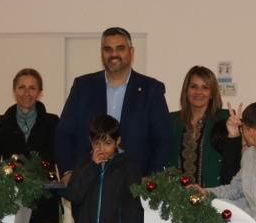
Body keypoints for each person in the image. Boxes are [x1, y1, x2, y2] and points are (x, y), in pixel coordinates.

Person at [56, 26, 173, 178]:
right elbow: (64, 134)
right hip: (88, 182)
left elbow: (163, 140)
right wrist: (68, 171)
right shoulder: (83, 87)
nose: (114, 54)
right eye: (108, 49)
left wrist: (152, 179)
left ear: (131, 52)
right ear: (101, 53)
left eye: (120, 48)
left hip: (136, 184)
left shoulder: (151, 90)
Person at [0, 69, 61, 223]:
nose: (27, 93)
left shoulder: (52, 122)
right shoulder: (2, 123)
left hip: (45, 195)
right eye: (22, 87)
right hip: (15, 197)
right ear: (14, 90)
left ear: (40, 91)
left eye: (32, 88)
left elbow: (60, 158)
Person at [66, 114, 145, 223]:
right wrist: (92, 168)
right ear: (90, 141)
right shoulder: (84, 163)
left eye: (108, 143)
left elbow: (134, 207)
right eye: (97, 143)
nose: (102, 148)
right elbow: (74, 194)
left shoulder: (128, 166)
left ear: (118, 141)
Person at [171, 65, 240, 187]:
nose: (198, 92)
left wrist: (234, 135)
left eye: (205, 87)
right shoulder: (171, 120)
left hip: (214, 196)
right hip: (176, 198)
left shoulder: (225, 119)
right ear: (186, 90)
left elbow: (234, 159)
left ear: (212, 93)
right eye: (193, 86)